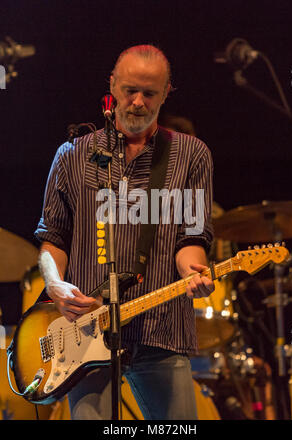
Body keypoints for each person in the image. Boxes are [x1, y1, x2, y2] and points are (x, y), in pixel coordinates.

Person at [35, 44, 215, 420]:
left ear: (167, 93)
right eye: (129, 90)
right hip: (86, 332)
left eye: (149, 93)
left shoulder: (191, 155)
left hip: (160, 329)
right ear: (112, 86)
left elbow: (192, 237)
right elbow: (53, 237)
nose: (137, 102)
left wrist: (194, 271)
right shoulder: (72, 155)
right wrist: (55, 285)